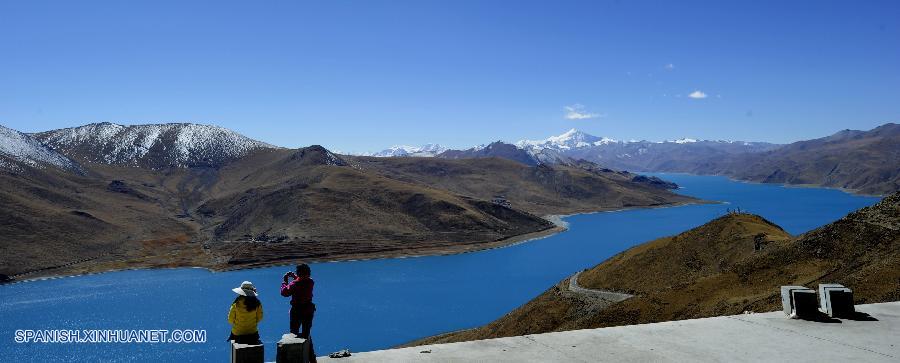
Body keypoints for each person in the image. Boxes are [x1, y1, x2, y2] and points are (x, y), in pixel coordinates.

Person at [281, 263, 317, 362]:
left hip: (297, 311)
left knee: (294, 334)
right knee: (306, 334)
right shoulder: (310, 282)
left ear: (299, 273)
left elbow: (284, 292)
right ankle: (311, 359)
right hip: (308, 310)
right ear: (308, 273)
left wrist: (285, 280)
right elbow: (302, 280)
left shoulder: (294, 284)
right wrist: (295, 277)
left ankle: (296, 359)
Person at [227, 281, 264, 345]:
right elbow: (260, 318)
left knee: (232, 336)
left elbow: (230, 320)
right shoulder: (257, 303)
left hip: (237, 333)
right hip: (252, 333)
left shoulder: (236, 303)